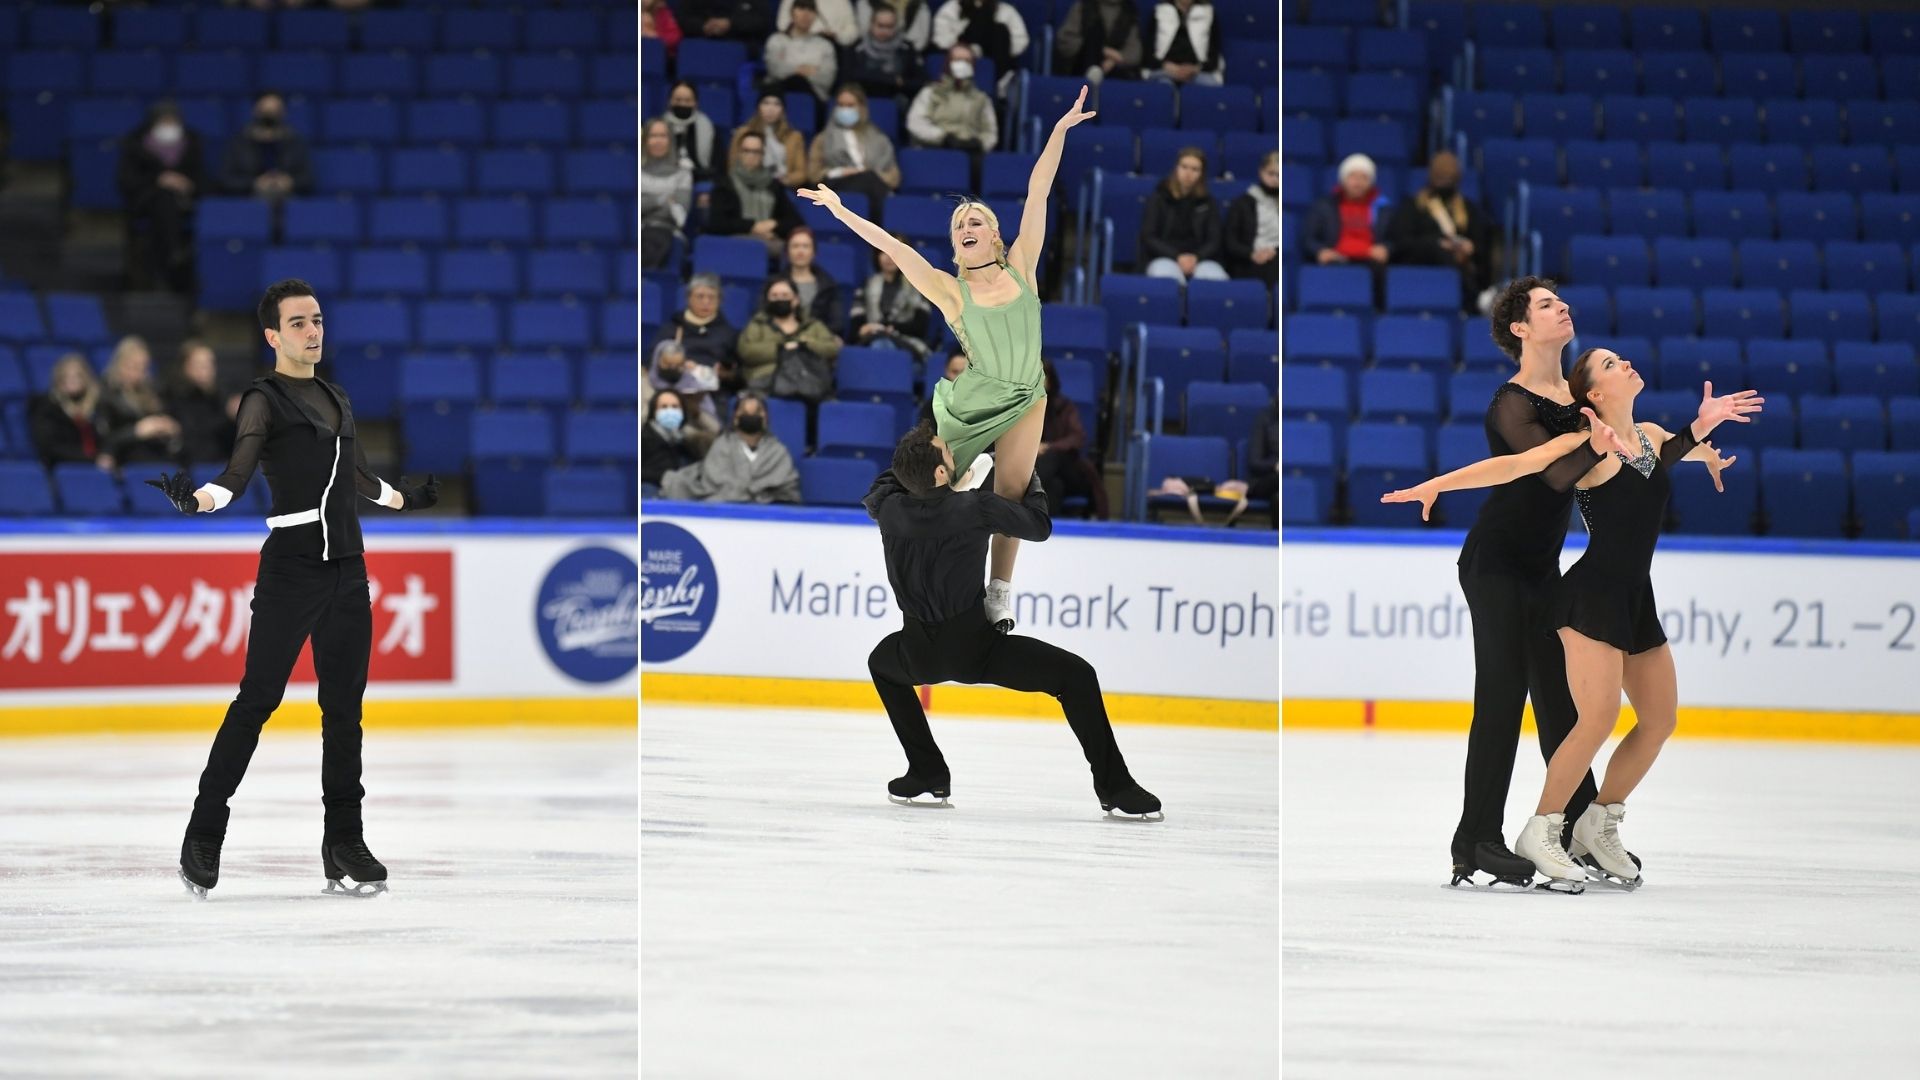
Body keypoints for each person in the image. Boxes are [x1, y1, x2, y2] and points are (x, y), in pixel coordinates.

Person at [1409, 278, 1750, 891]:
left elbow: (1640, 450)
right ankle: (1476, 839)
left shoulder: (1577, 404)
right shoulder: (1513, 403)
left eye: (1561, 301)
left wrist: (1698, 445)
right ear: (1520, 328)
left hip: (1545, 567)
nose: (1561, 306)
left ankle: (1576, 827)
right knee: (1504, 694)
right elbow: (1526, 468)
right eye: (1545, 304)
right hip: (1498, 562)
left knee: (1563, 706)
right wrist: (1440, 483)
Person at [145, 279, 441, 900]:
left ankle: (344, 841)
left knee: (344, 712)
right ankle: (203, 832)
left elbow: (355, 475)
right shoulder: (263, 398)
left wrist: (400, 497)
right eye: (299, 323)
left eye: (317, 320)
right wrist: (196, 500)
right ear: (273, 336)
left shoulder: (337, 396)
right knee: (256, 700)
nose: (313, 331)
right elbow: (237, 472)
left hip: (348, 569)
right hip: (292, 570)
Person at [799, 85, 1099, 632]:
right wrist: (841, 211)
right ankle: (934, 560)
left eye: (976, 221)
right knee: (931, 484)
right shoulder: (948, 290)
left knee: (1012, 497)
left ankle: (999, 594)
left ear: (995, 236)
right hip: (977, 397)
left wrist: (1058, 132)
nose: (965, 227)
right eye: (959, 225)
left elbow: (1039, 190)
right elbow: (892, 247)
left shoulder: (1023, 266)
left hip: (1028, 394)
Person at [862, 422, 1160, 818]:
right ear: (938, 472)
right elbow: (1038, 527)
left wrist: (924, 455)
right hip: (977, 652)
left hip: (916, 652)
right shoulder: (974, 508)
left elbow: (887, 483)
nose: (955, 453)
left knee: (880, 664)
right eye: (949, 451)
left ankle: (927, 770)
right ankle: (1116, 787)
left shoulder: (888, 509)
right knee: (1077, 677)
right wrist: (1028, 476)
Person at [1387, 151, 1493, 313]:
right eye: (1440, 177)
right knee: (1440, 251)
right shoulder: (1414, 206)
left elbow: (1480, 242)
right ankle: (1475, 297)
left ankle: (1477, 296)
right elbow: (1401, 242)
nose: (1444, 182)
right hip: (1419, 261)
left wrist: (1469, 247)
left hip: (1461, 262)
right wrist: (1437, 243)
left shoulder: (1467, 208)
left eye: (1449, 177)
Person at [118, 101, 207, 293]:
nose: (168, 125)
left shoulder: (192, 142)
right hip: (146, 200)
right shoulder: (135, 143)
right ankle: (173, 253)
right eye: (164, 121)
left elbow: (203, 178)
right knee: (163, 199)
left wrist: (185, 183)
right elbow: (127, 180)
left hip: (186, 201)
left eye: (172, 121)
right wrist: (158, 179)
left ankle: (173, 259)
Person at [660, 392, 802, 503]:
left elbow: (787, 490)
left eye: (757, 412)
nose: (751, 415)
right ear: (735, 417)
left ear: (765, 418)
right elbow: (712, 481)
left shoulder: (778, 451)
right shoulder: (720, 445)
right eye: (745, 412)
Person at [806, 84, 902, 220]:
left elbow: (894, 177)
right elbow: (813, 174)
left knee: (870, 179)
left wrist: (869, 173)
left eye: (850, 105)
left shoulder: (879, 139)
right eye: (841, 105)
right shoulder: (822, 139)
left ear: (861, 108)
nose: (845, 109)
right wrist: (841, 171)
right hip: (837, 184)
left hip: (871, 183)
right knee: (872, 182)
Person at [906, 43, 998, 181]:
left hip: (970, 154)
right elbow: (915, 123)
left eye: (967, 61)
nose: (962, 64)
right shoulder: (931, 92)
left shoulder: (982, 99)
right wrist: (942, 137)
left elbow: (990, 132)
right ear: (948, 64)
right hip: (936, 149)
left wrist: (979, 143)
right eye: (957, 60)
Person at [735, 276, 844, 389]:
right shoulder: (757, 324)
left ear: (796, 300)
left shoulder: (813, 326)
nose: (780, 299)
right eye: (774, 296)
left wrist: (802, 345)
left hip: (807, 381)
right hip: (765, 382)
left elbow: (832, 348)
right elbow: (746, 351)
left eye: (785, 295)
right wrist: (783, 348)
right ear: (767, 300)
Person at [709, 131, 805, 258]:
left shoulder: (774, 185)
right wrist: (752, 227)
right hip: (734, 243)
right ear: (739, 153)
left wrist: (773, 225)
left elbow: (796, 222)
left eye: (756, 152)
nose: (751, 156)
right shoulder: (725, 184)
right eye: (746, 151)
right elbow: (717, 223)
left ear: (762, 155)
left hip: (769, 242)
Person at [1140, 146, 1228, 283]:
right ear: (1176, 168)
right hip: (1163, 257)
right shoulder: (1159, 198)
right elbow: (1149, 236)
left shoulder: (1208, 202)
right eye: (1184, 167)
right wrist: (1176, 256)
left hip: (1200, 259)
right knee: (1166, 278)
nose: (1188, 173)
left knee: (1216, 279)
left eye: (1195, 169)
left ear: (1201, 173)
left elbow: (1214, 239)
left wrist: (1196, 257)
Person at [99, 335, 184, 466]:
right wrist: (136, 431)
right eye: (133, 366)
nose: (139, 373)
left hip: (156, 457)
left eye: (143, 368)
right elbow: (104, 439)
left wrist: (168, 426)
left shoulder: (154, 392)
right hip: (125, 460)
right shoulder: (106, 393)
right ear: (119, 364)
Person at [851, 236, 937, 361]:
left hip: (908, 344)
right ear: (877, 255)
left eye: (895, 252)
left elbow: (921, 327)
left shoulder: (920, 286)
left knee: (882, 346)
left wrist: (889, 328)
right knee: (878, 345)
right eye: (883, 251)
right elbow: (856, 327)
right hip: (871, 340)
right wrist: (866, 329)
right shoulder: (866, 285)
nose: (888, 257)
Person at [218, 92, 314, 201]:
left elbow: (307, 178)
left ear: (283, 113)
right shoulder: (238, 143)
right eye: (266, 111)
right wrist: (254, 183)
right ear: (256, 111)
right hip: (249, 198)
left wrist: (289, 182)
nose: (270, 116)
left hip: (288, 198)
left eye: (274, 111)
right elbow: (226, 179)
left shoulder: (296, 142)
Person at [1032, 361, 1099, 518]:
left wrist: (1046, 447)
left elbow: (1077, 438)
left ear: (1050, 380)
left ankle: (1023, 494)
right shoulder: (1021, 408)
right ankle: (1045, 528)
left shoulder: (1064, 406)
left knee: (1052, 457)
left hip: (1070, 470)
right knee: (1055, 486)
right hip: (1047, 474)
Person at [1303, 153, 1388, 272]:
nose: (1358, 183)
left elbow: (1395, 239)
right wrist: (1320, 251)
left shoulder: (1382, 207)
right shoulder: (1324, 206)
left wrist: (1385, 249)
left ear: (1371, 182)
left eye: (1364, 177)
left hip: (1371, 261)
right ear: (1343, 179)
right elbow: (1309, 238)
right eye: (1353, 177)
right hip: (1336, 258)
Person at [28, 354, 114, 470]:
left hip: (98, 467)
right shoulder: (48, 406)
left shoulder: (98, 405)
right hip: (63, 468)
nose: (72, 380)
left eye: (77, 376)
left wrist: (106, 455)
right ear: (58, 380)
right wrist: (93, 459)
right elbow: (50, 447)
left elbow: (108, 438)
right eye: (66, 376)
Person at [165, 339, 240, 465]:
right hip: (189, 469)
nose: (207, 369)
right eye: (199, 364)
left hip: (221, 467)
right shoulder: (174, 397)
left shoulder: (222, 395)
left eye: (210, 364)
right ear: (185, 367)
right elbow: (193, 436)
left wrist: (236, 417)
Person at [646, 339, 724, 454]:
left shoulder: (693, 383)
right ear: (657, 362)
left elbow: (715, 428)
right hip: (654, 438)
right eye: (667, 364)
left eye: (678, 365)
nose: (672, 369)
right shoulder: (644, 385)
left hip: (693, 440)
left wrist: (697, 413)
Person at [931, 0, 1029, 89]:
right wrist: (965, 48)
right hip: (957, 62)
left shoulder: (1006, 12)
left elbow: (1020, 42)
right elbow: (940, 40)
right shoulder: (951, 8)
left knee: (1000, 30)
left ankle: (993, 85)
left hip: (996, 64)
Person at [1223, 151, 1279, 293]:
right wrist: (1251, 253)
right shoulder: (1242, 203)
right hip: (1248, 259)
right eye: (1271, 173)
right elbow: (1230, 241)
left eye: (1279, 175)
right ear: (1261, 172)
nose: (1275, 179)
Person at [729, 94, 811, 190]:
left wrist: (785, 180)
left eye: (777, 104)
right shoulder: (743, 133)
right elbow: (732, 165)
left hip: (781, 187)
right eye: (766, 103)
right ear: (758, 107)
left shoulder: (794, 137)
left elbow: (801, 173)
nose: (770, 109)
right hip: (746, 184)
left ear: (783, 110)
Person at [642, 118, 693, 268]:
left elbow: (679, 215)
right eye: (653, 136)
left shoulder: (683, 173)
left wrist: (645, 201)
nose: (658, 141)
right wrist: (661, 200)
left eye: (663, 136)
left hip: (666, 231)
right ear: (645, 140)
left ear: (670, 140)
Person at [764, 0, 840, 103]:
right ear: (792, 13)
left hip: (814, 97)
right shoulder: (776, 40)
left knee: (801, 83)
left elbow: (827, 79)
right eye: (801, 9)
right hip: (780, 94)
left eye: (810, 10)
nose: (805, 14)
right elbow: (775, 70)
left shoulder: (825, 46)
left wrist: (793, 70)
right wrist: (801, 70)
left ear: (815, 16)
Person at [848, 3, 923, 105]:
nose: (884, 31)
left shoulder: (907, 48)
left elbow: (920, 81)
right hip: (862, 100)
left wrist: (903, 83)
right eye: (880, 26)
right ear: (871, 24)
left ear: (896, 26)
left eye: (889, 26)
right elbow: (851, 77)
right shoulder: (857, 47)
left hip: (897, 102)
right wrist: (893, 80)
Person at [1054, 0, 1143, 85]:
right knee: (1094, 32)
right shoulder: (1084, 6)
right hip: (1081, 67)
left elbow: (1134, 54)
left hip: (1116, 73)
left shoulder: (1129, 10)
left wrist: (1113, 61)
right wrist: (1102, 50)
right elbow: (1066, 42)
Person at [670, 273, 740, 374]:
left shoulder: (729, 334)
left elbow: (737, 372)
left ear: (719, 301)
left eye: (711, 297)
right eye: (700, 296)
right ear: (688, 299)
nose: (706, 302)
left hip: (715, 386)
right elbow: (654, 362)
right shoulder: (673, 328)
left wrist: (724, 374)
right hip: (676, 383)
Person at [781, 227, 845, 333]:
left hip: (817, 340)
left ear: (814, 252)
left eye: (805, 246)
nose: (800, 251)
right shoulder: (774, 284)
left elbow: (837, 323)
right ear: (787, 252)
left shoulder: (828, 285)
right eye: (795, 246)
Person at [1147, 0, 1222, 87]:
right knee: (1162, 87)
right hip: (1164, 69)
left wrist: (1195, 68)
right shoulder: (1159, 12)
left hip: (1197, 71)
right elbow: (1148, 53)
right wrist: (1166, 66)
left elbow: (1213, 56)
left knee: (1209, 85)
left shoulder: (1208, 13)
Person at [643, 389, 702, 491]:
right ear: (654, 411)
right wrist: (662, 477)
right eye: (664, 407)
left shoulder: (686, 441)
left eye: (675, 407)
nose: (670, 411)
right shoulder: (642, 437)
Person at [662, 81, 720, 181]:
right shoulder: (660, 127)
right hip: (665, 179)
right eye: (678, 100)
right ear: (670, 101)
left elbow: (717, 165)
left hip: (700, 179)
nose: (682, 104)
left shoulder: (708, 128)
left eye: (687, 100)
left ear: (695, 103)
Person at [679, 0, 772, 45]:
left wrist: (731, 24)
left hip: (739, 44)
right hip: (701, 44)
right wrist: (703, 26)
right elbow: (683, 18)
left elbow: (762, 21)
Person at [775, 0, 861, 46]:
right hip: (795, 46)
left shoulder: (842, 1)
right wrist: (806, 34)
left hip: (832, 46)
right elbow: (782, 26)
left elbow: (852, 30)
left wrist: (837, 36)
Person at [855, 0, 932, 51]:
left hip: (905, 55)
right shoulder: (866, 2)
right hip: (870, 51)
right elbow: (865, 32)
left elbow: (918, 42)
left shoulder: (918, 5)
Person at [918, 350, 967, 424]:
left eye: (964, 372)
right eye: (955, 372)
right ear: (946, 372)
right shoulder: (932, 406)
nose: (959, 378)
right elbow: (928, 434)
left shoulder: (985, 403)